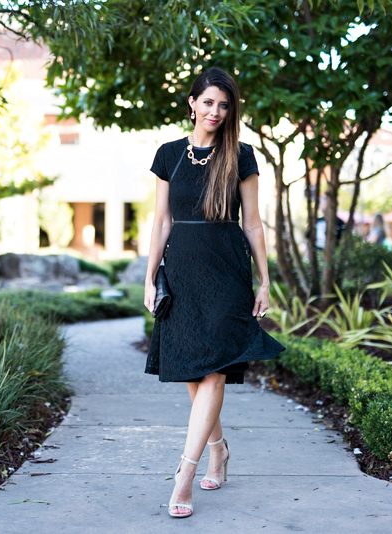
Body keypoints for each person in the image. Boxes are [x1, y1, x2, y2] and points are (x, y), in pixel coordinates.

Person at [143, 67, 285, 519]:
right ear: (191, 103)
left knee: (215, 371)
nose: (215, 112)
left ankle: (184, 475)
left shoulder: (241, 156)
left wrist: (264, 280)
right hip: (182, 271)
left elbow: (254, 222)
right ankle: (219, 449)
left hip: (226, 271)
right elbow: (161, 220)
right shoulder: (168, 154)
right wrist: (149, 278)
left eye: (224, 105)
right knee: (191, 370)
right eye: (208, 102)